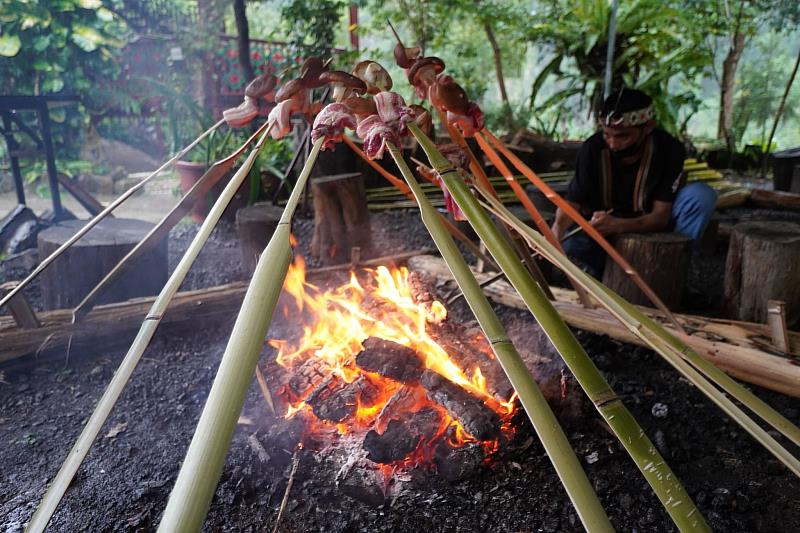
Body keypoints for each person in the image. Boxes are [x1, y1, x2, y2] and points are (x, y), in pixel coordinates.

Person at [550, 88, 716, 277]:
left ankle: (672, 268)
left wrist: (619, 225)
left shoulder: (669, 149)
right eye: (607, 134)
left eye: (622, 136)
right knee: (573, 247)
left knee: (701, 196)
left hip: (650, 223)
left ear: (648, 127)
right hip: (600, 227)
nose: (612, 143)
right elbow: (572, 201)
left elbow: (660, 216)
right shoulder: (592, 149)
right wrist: (556, 231)